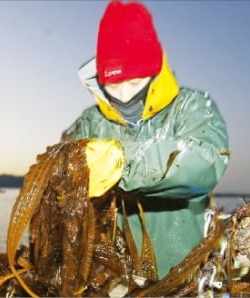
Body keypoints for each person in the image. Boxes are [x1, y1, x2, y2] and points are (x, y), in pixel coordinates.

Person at [61, 0, 229, 279]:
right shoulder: (90, 123)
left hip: (181, 274)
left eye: (136, 83)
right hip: (110, 277)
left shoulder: (192, 107)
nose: (125, 96)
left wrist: (123, 164)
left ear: (155, 72)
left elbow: (206, 163)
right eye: (114, 85)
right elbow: (59, 185)